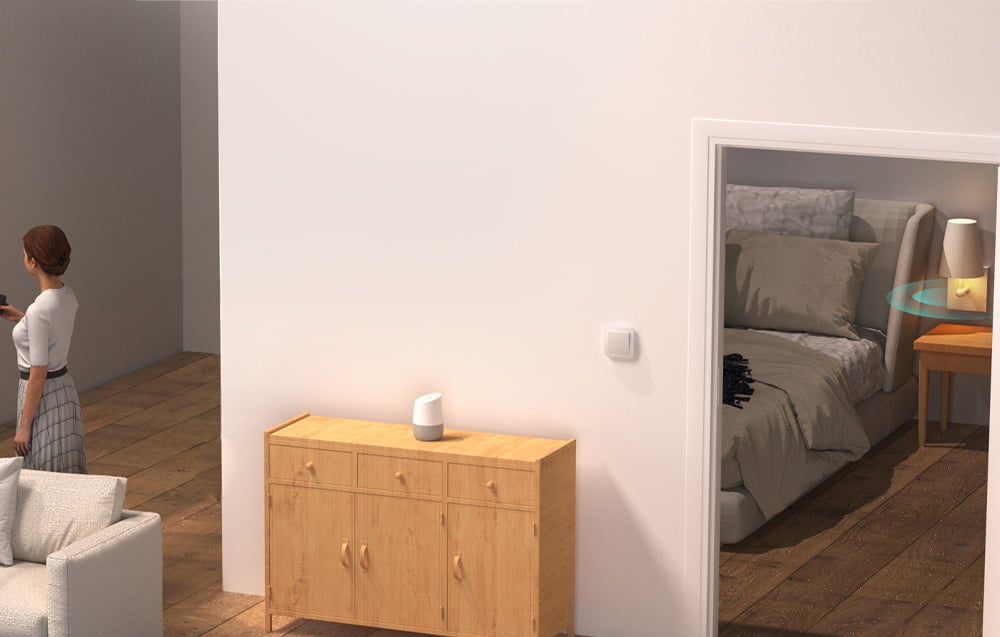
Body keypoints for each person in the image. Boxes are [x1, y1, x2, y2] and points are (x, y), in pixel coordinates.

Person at [0, 225, 85, 473]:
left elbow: (38, 371)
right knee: (64, 464)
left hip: (41, 393)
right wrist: (21, 318)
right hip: (63, 389)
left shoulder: (39, 311)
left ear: (33, 261)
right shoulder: (68, 295)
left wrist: (24, 426)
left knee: (44, 469)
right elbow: (51, 334)